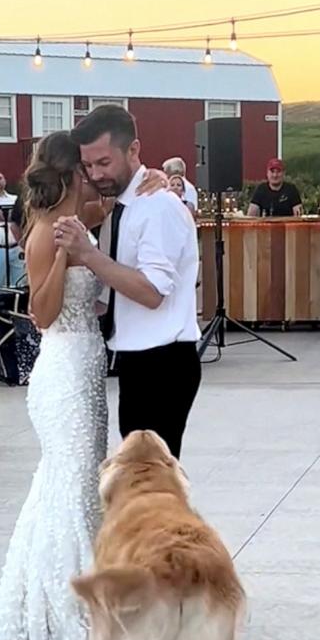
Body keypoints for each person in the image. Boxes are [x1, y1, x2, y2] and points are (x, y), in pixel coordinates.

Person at [0, 133, 108, 640]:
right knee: (67, 485)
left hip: (89, 363)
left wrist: (154, 180)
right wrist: (66, 257)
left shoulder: (81, 210)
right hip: (62, 368)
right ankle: (62, 609)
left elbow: (110, 201)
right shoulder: (44, 232)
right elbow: (40, 315)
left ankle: (91, 595)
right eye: (85, 170)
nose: (93, 177)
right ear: (68, 176)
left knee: (84, 483)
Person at [56, 104, 201, 459]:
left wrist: (89, 256)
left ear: (133, 150)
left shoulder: (158, 206)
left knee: (150, 488)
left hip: (164, 362)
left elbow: (152, 292)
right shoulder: (120, 206)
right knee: (137, 483)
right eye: (88, 166)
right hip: (136, 359)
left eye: (104, 163)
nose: (95, 174)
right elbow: (113, 294)